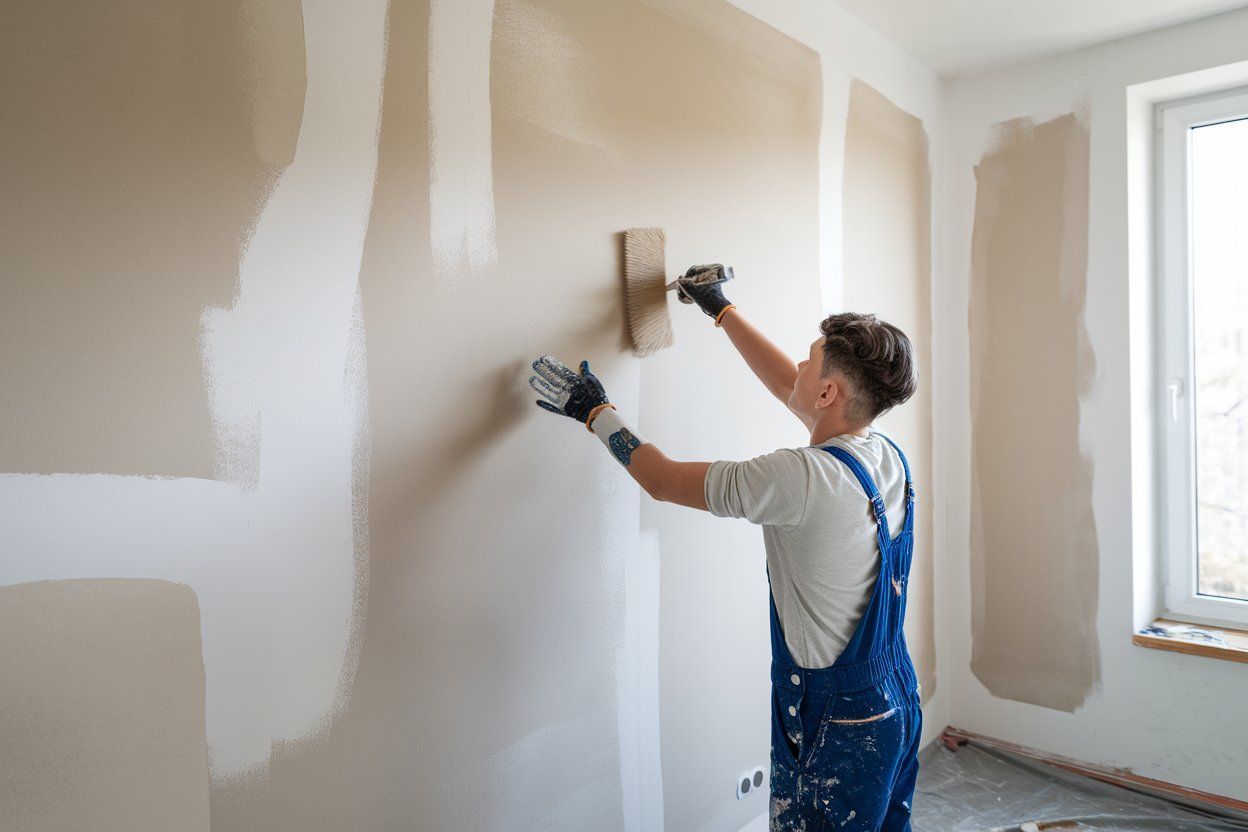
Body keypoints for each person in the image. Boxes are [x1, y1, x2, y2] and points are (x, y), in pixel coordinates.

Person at [529, 266, 922, 832]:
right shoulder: (880, 452)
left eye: (812, 360)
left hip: (838, 726)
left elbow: (661, 480)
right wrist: (719, 308)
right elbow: (792, 383)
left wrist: (594, 411)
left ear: (829, 392)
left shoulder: (799, 479)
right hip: (893, 701)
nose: (802, 366)